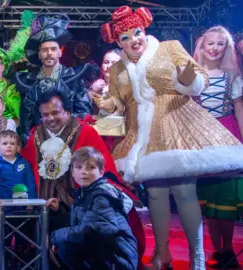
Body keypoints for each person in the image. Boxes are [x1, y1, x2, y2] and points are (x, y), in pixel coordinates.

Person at [96, 6, 243, 269]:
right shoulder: (118, 69)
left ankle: (197, 256)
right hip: (142, 133)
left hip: (176, 123)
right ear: (118, 42)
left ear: (144, 29)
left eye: (136, 32)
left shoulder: (168, 47)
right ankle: (162, 254)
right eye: (125, 38)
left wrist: (188, 78)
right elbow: (118, 101)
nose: (134, 40)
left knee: (185, 191)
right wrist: (108, 104)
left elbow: (198, 78)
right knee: (155, 194)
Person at [20, 90, 146, 269]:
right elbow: (25, 169)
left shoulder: (85, 132)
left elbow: (104, 171)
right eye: (45, 115)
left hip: (83, 205)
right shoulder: (36, 136)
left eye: (56, 112)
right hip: (47, 205)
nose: (50, 118)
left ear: (68, 112)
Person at [193, 26, 243, 268]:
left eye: (220, 44)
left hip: (227, 134)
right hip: (202, 138)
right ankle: (218, 250)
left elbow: (240, 109)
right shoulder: (193, 75)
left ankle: (228, 249)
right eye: (210, 43)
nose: (214, 48)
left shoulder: (231, 76)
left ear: (226, 48)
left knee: (227, 198)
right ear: (202, 46)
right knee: (208, 199)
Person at [49, 147, 137, 270]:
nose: (84, 172)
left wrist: (55, 237)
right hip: (105, 252)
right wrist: (58, 211)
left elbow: (90, 230)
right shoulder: (84, 193)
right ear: (73, 172)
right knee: (66, 246)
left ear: (101, 172)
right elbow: (80, 224)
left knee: (67, 247)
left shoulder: (102, 196)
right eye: (79, 167)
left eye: (91, 167)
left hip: (117, 258)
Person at [16, 14, 99, 144]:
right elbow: (25, 121)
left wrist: (63, 128)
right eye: (44, 50)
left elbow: (84, 112)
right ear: (39, 54)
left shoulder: (74, 77)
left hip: (70, 142)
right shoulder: (28, 82)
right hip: (40, 145)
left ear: (60, 52)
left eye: (53, 49)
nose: (49, 53)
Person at [89, 48, 122, 116]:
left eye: (114, 63)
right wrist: (92, 90)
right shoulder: (93, 84)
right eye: (106, 62)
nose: (109, 66)